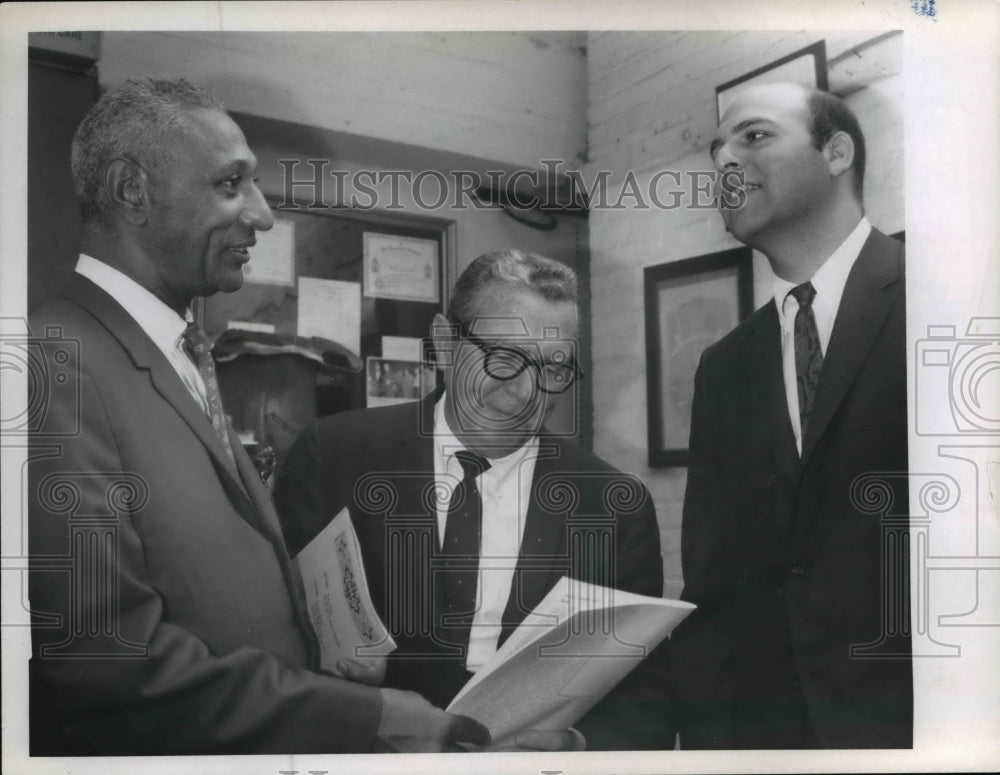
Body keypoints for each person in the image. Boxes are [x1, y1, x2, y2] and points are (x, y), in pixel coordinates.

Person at [27, 77, 488, 755]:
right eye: (229, 184)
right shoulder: (51, 362)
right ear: (133, 191)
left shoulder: (183, 352)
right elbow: (106, 660)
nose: (263, 216)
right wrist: (376, 717)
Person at [276, 250, 674, 751]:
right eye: (505, 357)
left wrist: (575, 746)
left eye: (553, 367)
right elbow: (272, 646)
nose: (526, 393)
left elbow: (648, 696)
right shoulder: (333, 456)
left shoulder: (615, 504)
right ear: (444, 343)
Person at [670, 82, 910, 748]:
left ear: (837, 153)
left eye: (753, 136)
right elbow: (713, 586)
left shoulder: (949, 300)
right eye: (716, 149)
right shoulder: (724, 366)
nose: (723, 161)